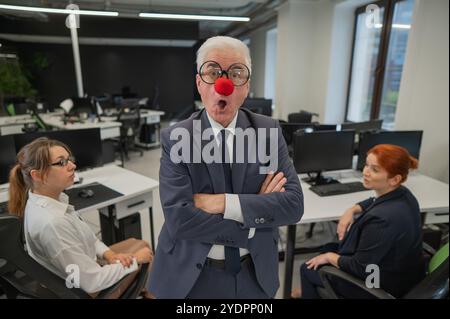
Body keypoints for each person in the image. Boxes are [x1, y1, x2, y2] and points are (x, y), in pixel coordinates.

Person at [148, 36, 304, 299]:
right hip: (191, 276)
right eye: (212, 72)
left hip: (254, 273)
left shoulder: (266, 132)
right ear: (199, 83)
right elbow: (180, 220)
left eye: (236, 73)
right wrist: (253, 219)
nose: (224, 86)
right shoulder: (177, 138)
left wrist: (222, 203)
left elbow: (292, 205)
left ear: (247, 86)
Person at [8, 137, 153, 297]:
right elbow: (92, 282)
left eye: (69, 159)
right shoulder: (53, 223)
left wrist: (110, 255)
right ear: (37, 175)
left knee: (141, 248)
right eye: (61, 163)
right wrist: (135, 260)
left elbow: (87, 238)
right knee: (144, 251)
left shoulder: (43, 198)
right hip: (86, 289)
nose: (73, 166)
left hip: (81, 272)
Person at [294, 144, 425, 299]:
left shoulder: (381, 221)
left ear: (394, 179)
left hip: (378, 284)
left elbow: (360, 268)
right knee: (329, 246)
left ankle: (309, 291)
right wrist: (353, 209)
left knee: (307, 268)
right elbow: (374, 200)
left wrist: (329, 257)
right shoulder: (403, 194)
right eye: (366, 165)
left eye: (374, 170)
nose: (365, 172)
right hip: (402, 273)